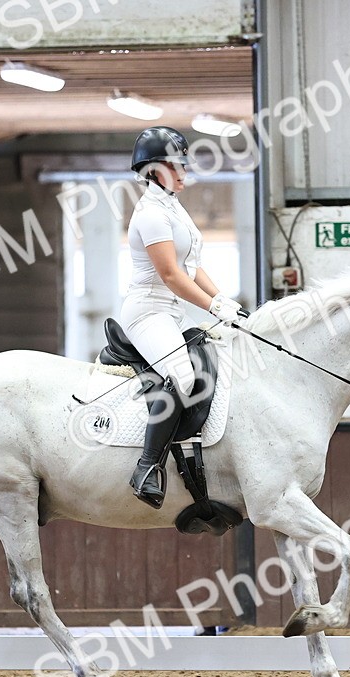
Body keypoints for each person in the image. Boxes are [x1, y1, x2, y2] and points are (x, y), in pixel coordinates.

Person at [121, 126, 243, 509]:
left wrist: (224, 299)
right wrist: (212, 307)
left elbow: (192, 267)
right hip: (147, 312)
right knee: (184, 376)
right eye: (178, 165)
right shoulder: (151, 215)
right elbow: (171, 276)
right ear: (155, 169)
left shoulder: (173, 207)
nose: (185, 171)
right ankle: (147, 467)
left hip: (170, 311)